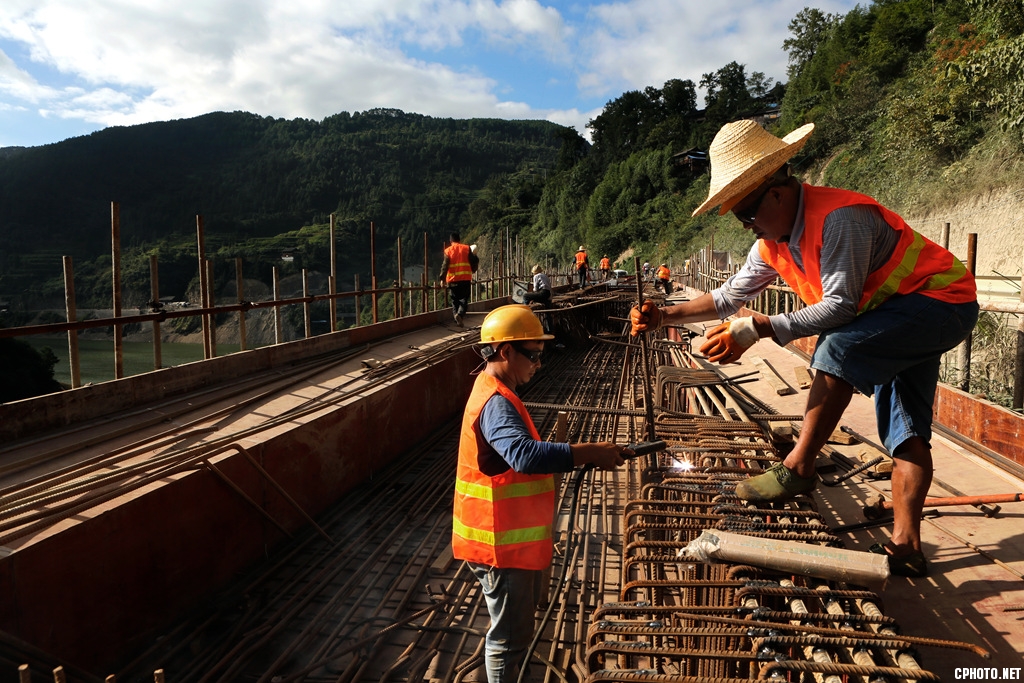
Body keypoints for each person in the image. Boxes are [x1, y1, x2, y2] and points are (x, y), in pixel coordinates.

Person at [630, 119, 978, 578]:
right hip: (897, 316)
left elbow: (840, 306)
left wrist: (761, 327)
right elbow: (727, 298)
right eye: (738, 218)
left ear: (777, 191)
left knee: (837, 350)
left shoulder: (840, 219)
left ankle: (799, 466)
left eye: (748, 213)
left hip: (941, 303)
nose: (747, 226)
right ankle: (907, 546)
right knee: (906, 429)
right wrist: (664, 316)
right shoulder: (772, 244)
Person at [452, 305, 629, 683]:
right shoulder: (496, 402)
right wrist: (589, 452)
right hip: (500, 545)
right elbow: (524, 455)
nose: (539, 364)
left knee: (513, 631)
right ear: (505, 352)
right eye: (532, 354)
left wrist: (587, 454)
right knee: (510, 639)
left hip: (509, 540)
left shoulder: (496, 390)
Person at [439, 232, 479, 326]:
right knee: (464, 299)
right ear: (459, 240)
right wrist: (473, 270)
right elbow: (475, 261)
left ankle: (456, 318)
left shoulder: (448, 251)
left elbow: (445, 266)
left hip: (452, 280)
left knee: (454, 300)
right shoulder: (466, 248)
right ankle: (460, 315)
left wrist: (442, 279)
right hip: (465, 278)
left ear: (450, 241)